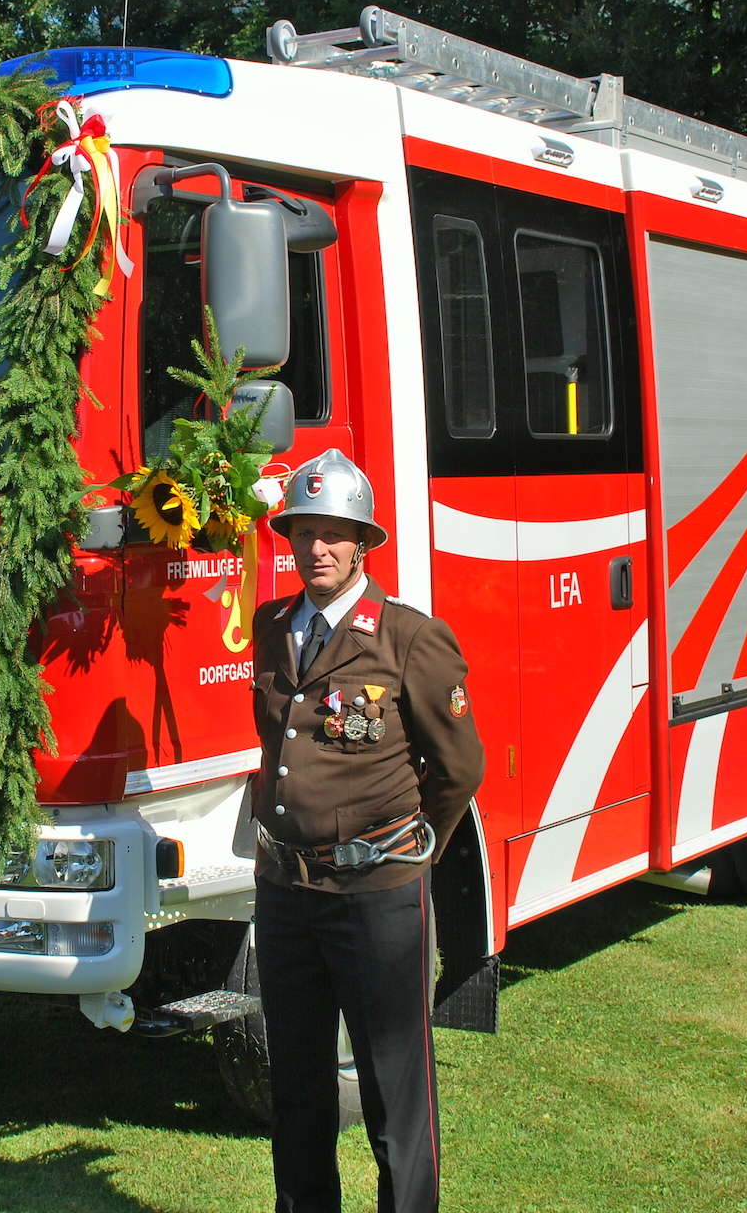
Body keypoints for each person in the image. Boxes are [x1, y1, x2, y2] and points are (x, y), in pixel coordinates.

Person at [250, 448, 485, 1213]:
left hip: (376, 897)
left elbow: (459, 768)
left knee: (395, 1093)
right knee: (297, 1087)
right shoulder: (271, 626)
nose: (316, 547)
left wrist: (413, 849)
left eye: (333, 533)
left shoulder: (408, 638)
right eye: (303, 531)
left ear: (362, 544)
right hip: (286, 892)